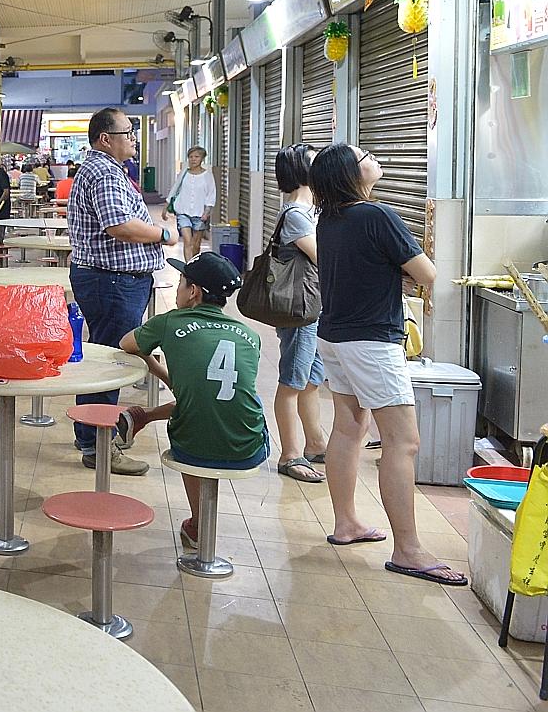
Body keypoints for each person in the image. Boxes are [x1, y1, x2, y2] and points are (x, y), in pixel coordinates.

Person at [309, 143, 463, 585]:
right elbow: (428, 274)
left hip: (334, 335)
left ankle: (346, 523)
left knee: (348, 427)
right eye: (365, 155)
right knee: (403, 441)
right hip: (372, 341)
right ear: (350, 173)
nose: (374, 157)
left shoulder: (330, 220)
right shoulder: (378, 216)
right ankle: (409, 549)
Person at [114, 253, 269, 547]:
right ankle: (145, 417)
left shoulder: (170, 322)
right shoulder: (250, 335)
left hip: (193, 447)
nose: (177, 288)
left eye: (182, 281)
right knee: (221, 401)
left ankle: (199, 523)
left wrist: (158, 367)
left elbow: (126, 344)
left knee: (198, 418)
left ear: (194, 292)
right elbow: (216, 390)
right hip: (248, 447)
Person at [68, 107, 176, 475]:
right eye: (127, 132)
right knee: (111, 364)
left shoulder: (106, 170)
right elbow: (120, 226)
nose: (133, 138)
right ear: (104, 138)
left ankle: (90, 432)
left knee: (103, 358)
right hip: (110, 281)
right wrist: (164, 234)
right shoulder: (103, 172)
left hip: (110, 279)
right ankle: (99, 446)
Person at [269, 144, 327, 484]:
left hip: (312, 306)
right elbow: (324, 257)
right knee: (292, 381)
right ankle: (290, 454)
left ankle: (316, 442)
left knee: (310, 379)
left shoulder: (308, 210)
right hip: (299, 309)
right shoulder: (294, 215)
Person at [164, 146, 217, 258]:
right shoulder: (184, 173)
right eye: (191, 157)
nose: (193, 159)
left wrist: (206, 212)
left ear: (202, 159)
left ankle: (194, 265)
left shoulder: (207, 175)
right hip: (183, 212)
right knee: (187, 242)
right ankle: (188, 269)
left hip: (200, 214)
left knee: (196, 245)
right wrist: (166, 206)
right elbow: (175, 188)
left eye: (196, 157)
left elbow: (211, 195)